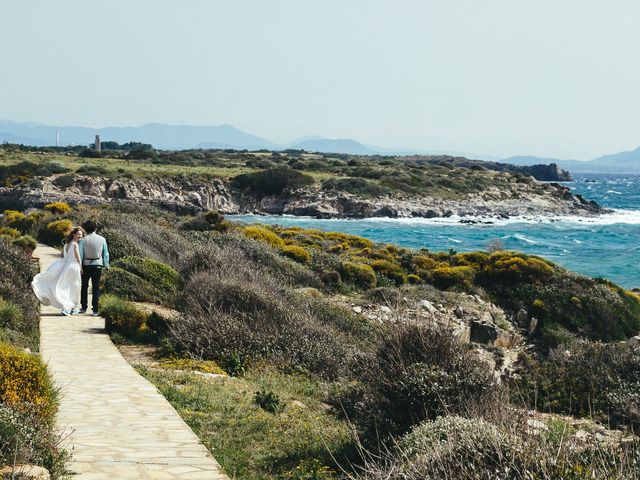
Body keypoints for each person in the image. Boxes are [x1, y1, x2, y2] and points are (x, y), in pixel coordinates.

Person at [32, 226, 84, 316]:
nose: (80, 236)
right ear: (74, 234)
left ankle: (67, 307)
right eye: (78, 234)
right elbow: (78, 258)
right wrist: (81, 268)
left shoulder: (66, 244)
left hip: (66, 266)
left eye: (81, 235)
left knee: (65, 286)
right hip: (73, 266)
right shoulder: (75, 244)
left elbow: (62, 255)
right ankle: (71, 307)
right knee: (74, 287)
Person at [79, 220, 109, 316]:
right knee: (96, 287)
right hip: (98, 265)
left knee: (84, 286)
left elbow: (80, 254)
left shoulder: (83, 240)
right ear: (95, 228)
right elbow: (105, 254)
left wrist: (80, 267)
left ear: (86, 229)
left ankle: (84, 307)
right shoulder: (102, 239)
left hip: (86, 265)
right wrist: (106, 265)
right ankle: (95, 310)